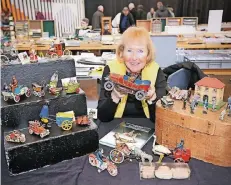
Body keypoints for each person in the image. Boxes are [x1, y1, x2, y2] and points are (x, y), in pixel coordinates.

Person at [97, 27, 167, 122]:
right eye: (129, 50)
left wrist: (152, 98)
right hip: (115, 123)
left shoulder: (155, 70)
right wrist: (115, 96)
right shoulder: (111, 69)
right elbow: (103, 117)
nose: (134, 57)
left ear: (148, 54)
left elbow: (162, 120)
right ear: (122, 52)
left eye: (140, 51)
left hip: (148, 123)